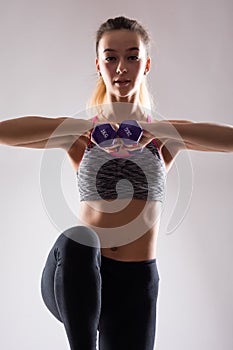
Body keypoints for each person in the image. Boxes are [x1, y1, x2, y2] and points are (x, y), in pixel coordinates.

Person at [0, 15, 232, 350]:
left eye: (131, 56)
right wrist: (75, 126)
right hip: (76, 276)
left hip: (135, 285)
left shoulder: (163, 139)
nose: (121, 67)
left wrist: (163, 130)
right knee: (80, 237)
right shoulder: (83, 136)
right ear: (99, 65)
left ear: (146, 64)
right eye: (111, 57)